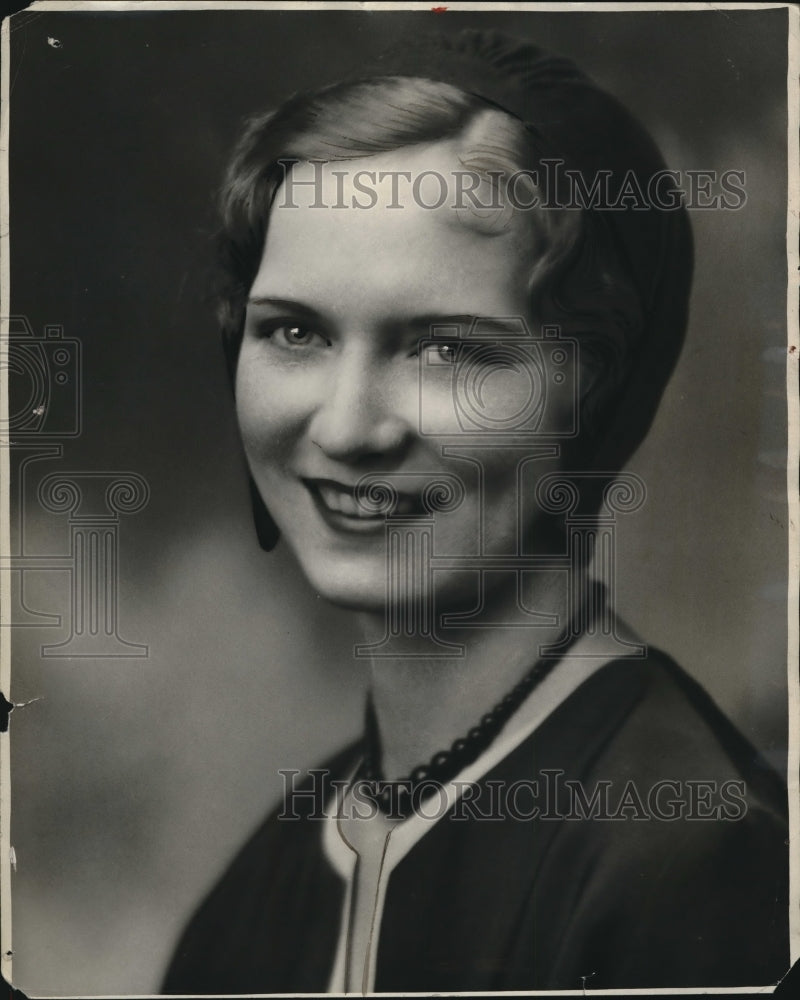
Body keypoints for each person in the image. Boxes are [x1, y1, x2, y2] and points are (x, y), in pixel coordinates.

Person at [162, 29, 789, 994]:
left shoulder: (692, 858)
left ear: (591, 383)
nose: (348, 426)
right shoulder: (267, 877)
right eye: (295, 331)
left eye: (447, 350)